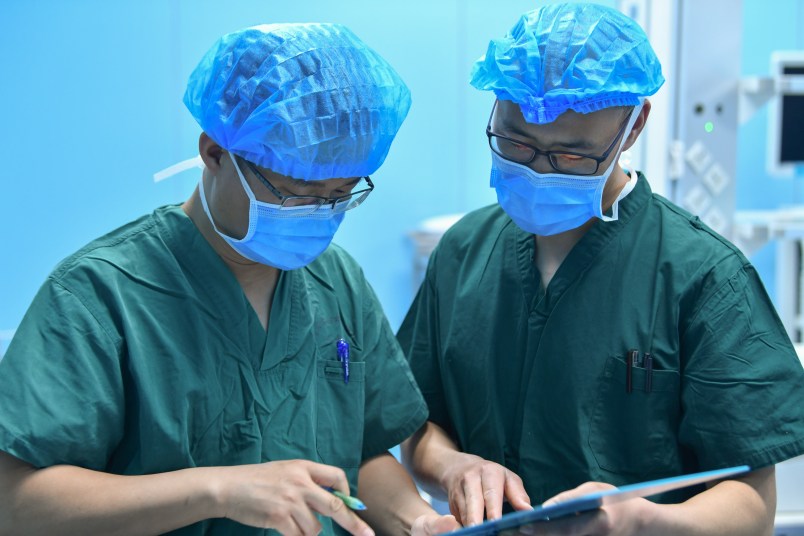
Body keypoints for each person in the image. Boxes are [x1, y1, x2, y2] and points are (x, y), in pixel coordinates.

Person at [0, 23, 460, 536]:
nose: (319, 215)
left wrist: (418, 521)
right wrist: (216, 490)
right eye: (295, 193)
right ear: (215, 153)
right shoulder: (100, 296)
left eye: (340, 195)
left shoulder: (335, 281)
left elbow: (362, 454)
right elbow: (16, 503)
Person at [397, 3, 804, 535]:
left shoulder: (705, 278)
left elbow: (753, 504)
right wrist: (456, 466)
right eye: (516, 142)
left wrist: (643, 522)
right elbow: (417, 422)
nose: (539, 168)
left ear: (634, 125)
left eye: (570, 155)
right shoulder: (462, 251)